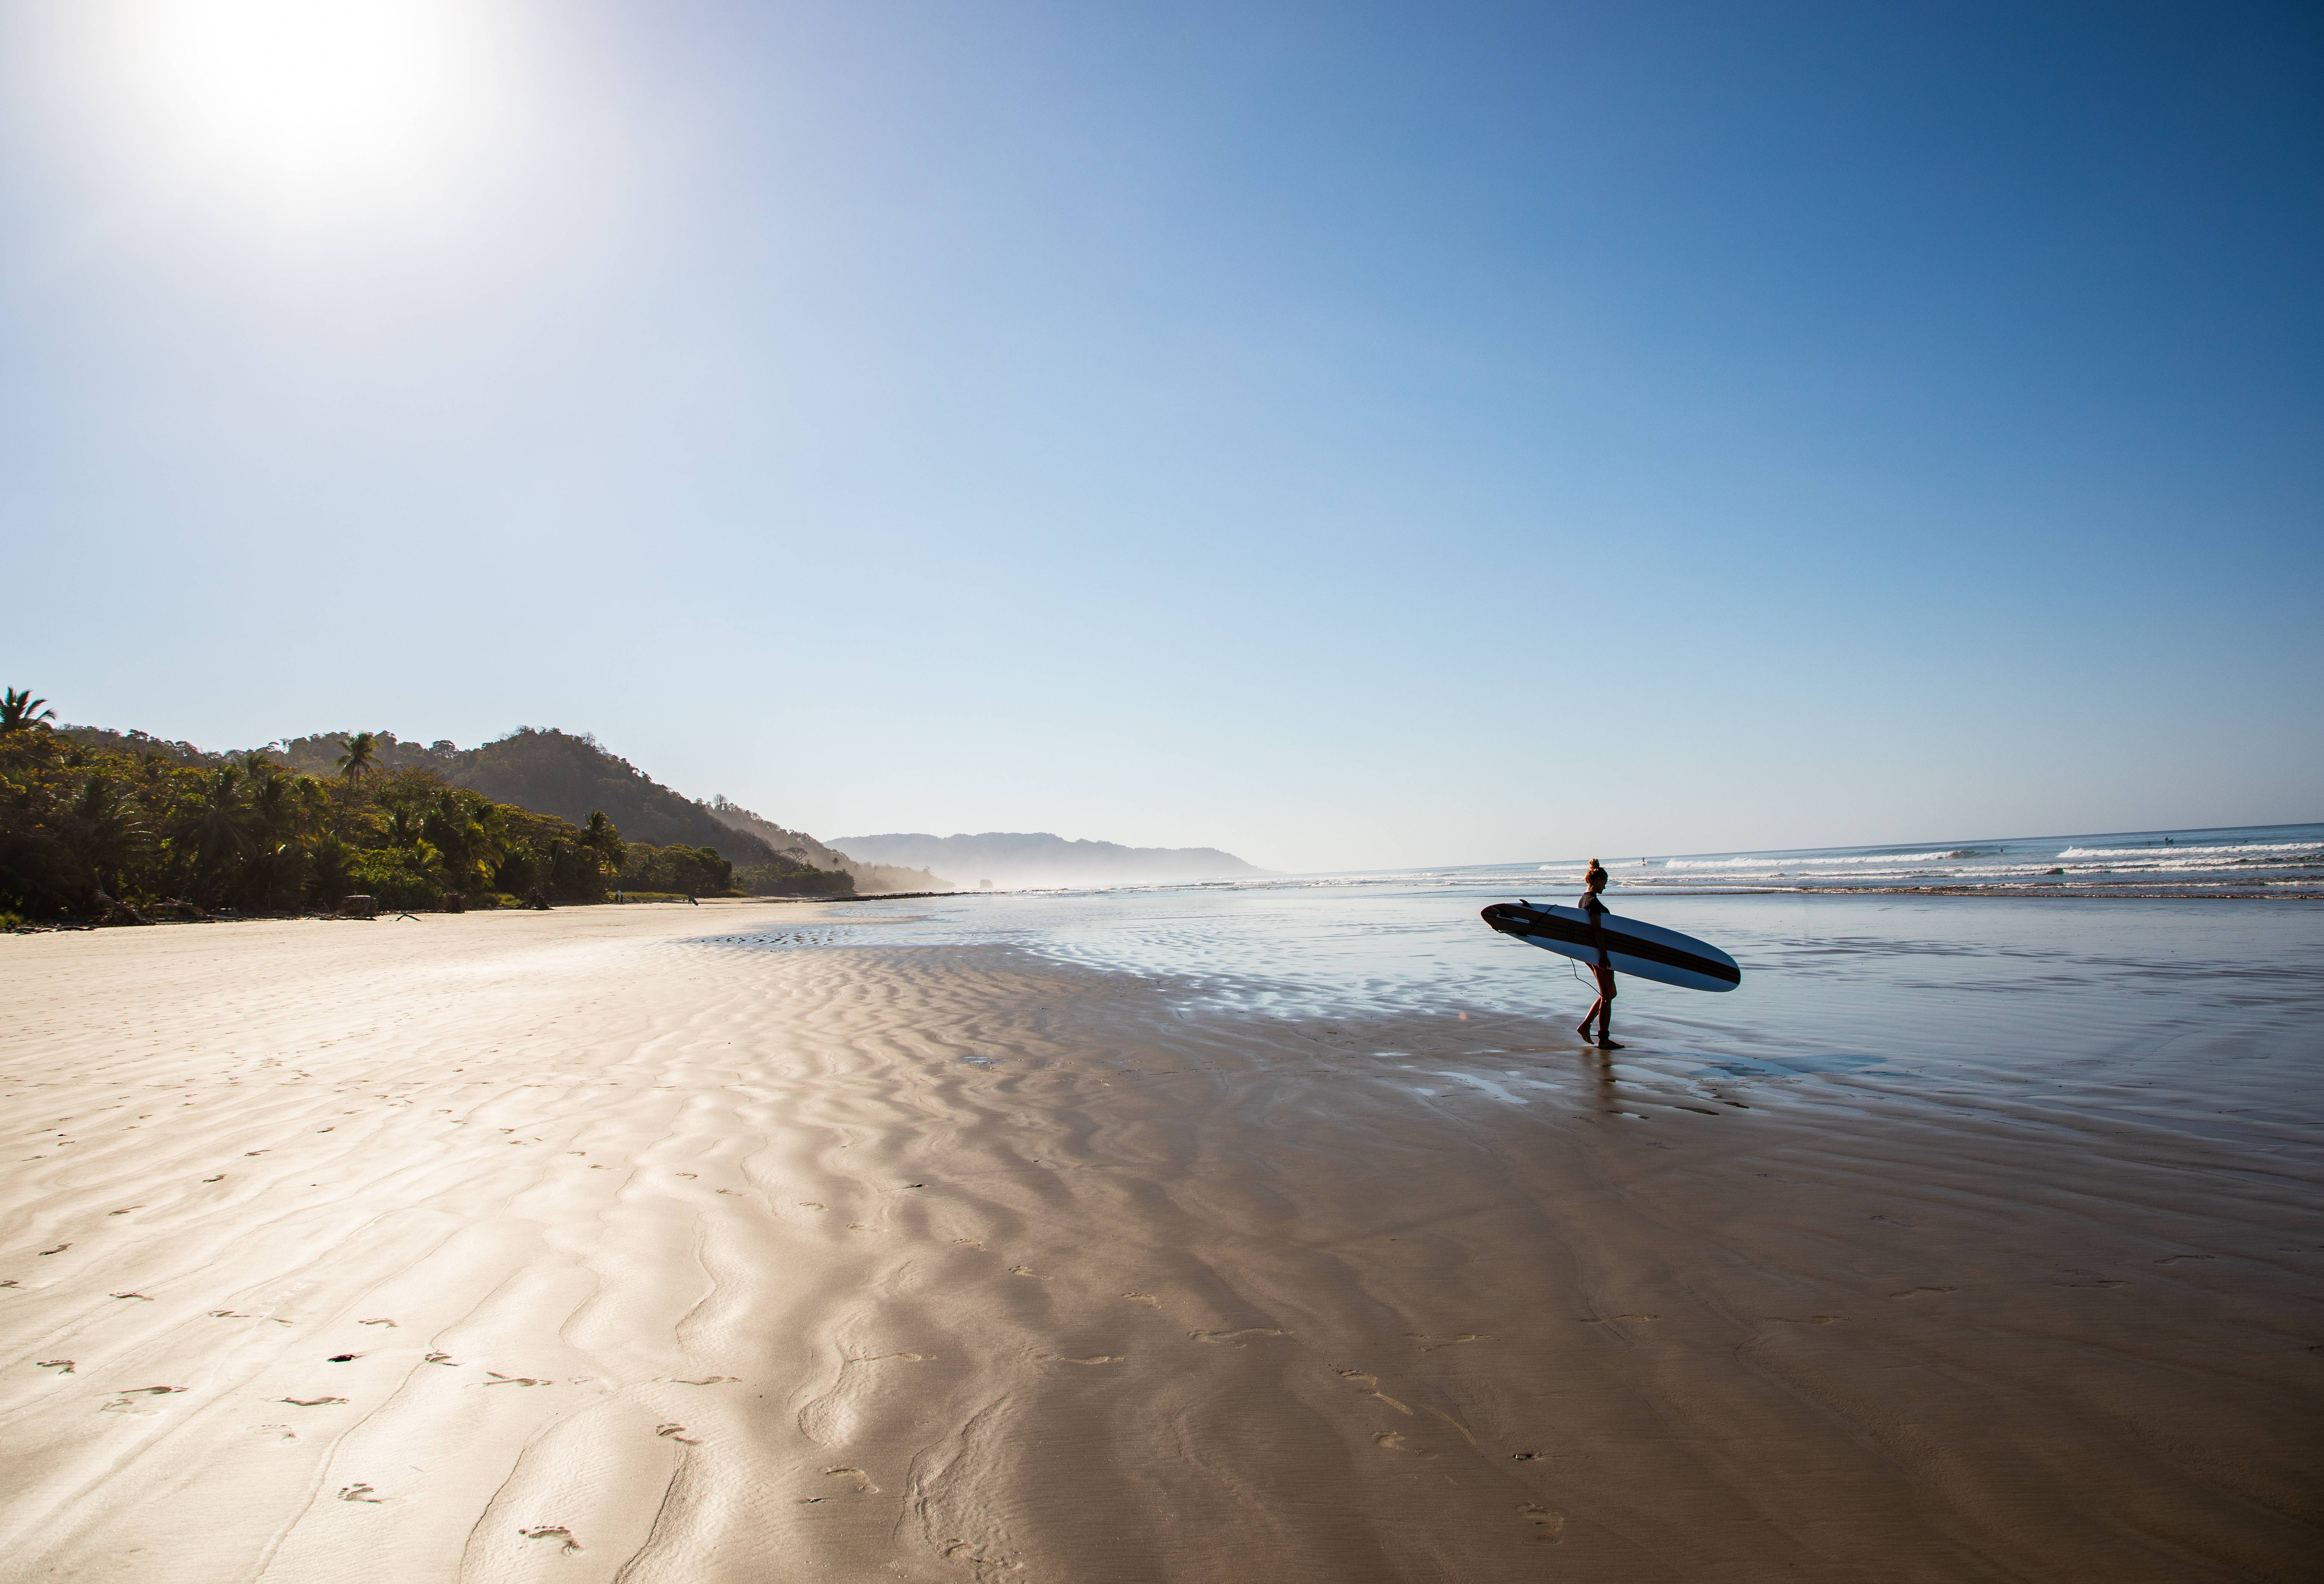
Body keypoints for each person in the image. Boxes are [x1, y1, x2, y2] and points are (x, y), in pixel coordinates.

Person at [1574, 859, 1623, 1049]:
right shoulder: (1593, 902)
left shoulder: (1583, 899)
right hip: (1598, 953)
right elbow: (1597, 930)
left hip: (1591, 953)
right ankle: (1604, 1039)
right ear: (1598, 880)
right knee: (1607, 995)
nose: (1606, 885)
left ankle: (1586, 1026)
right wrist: (1603, 955)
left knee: (1611, 993)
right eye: (1605, 882)